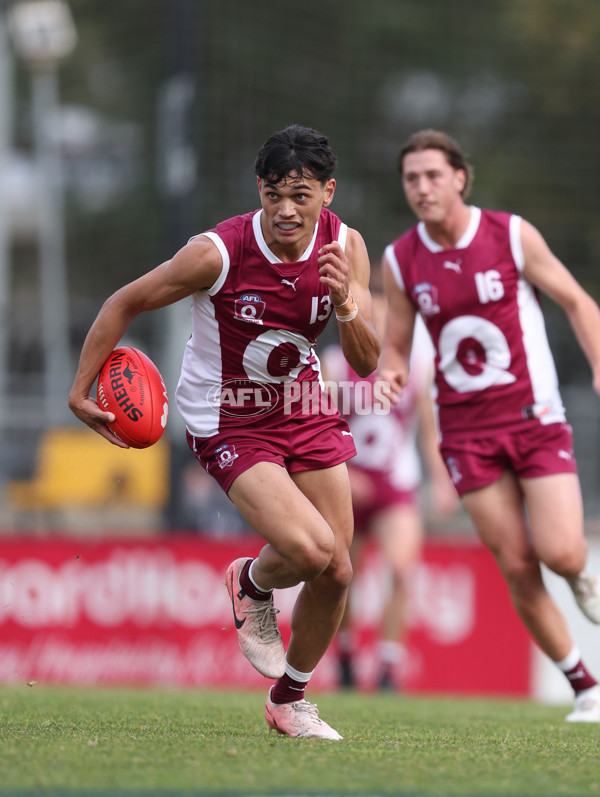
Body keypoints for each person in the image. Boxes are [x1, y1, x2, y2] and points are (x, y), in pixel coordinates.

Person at [68, 124, 380, 739]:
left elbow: (368, 364)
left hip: (304, 404)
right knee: (313, 551)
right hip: (227, 414)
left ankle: (288, 700)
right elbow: (123, 302)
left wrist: (346, 304)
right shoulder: (218, 252)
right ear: (258, 191)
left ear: (328, 192)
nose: (286, 209)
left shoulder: (346, 247)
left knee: (339, 570)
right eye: (273, 194)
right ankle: (250, 581)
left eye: (301, 194)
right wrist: (80, 389)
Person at [380, 128, 600, 722]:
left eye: (432, 175)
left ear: (459, 178)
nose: (421, 187)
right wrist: (390, 374)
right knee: (517, 564)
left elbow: (578, 302)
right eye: (411, 178)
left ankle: (577, 571)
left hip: (534, 418)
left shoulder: (510, 233)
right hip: (465, 435)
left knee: (560, 551)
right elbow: (397, 346)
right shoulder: (400, 259)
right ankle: (586, 687)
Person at [322, 291, 458, 691]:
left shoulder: (416, 367)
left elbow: (430, 434)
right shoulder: (333, 364)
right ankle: (346, 653)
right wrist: (344, 470)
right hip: (346, 483)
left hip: (396, 483)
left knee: (401, 570)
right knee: (344, 577)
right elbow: (321, 429)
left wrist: (442, 481)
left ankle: (387, 667)